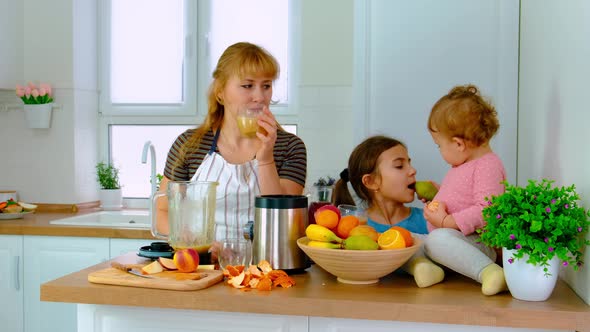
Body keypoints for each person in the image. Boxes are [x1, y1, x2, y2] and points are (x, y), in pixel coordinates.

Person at [156, 42, 307, 240]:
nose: (259, 97)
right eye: (247, 85)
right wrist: (194, 241)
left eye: (266, 86)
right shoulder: (189, 145)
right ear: (220, 91)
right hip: (204, 267)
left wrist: (266, 159)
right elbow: (163, 212)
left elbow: (284, 220)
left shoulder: (289, 147)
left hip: (267, 268)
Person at [422, 84, 507, 296]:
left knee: (436, 240)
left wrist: (445, 222)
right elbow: (466, 197)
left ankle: (490, 272)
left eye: (438, 145)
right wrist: (439, 194)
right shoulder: (465, 164)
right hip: (459, 240)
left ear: (459, 144)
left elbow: (488, 210)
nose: (439, 150)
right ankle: (427, 269)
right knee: (415, 241)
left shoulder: (487, 165)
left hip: (478, 244)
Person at [332, 135, 445, 288]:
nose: (413, 171)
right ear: (371, 182)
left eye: (409, 164)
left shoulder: (429, 221)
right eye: (399, 166)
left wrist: (444, 206)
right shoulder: (357, 230)